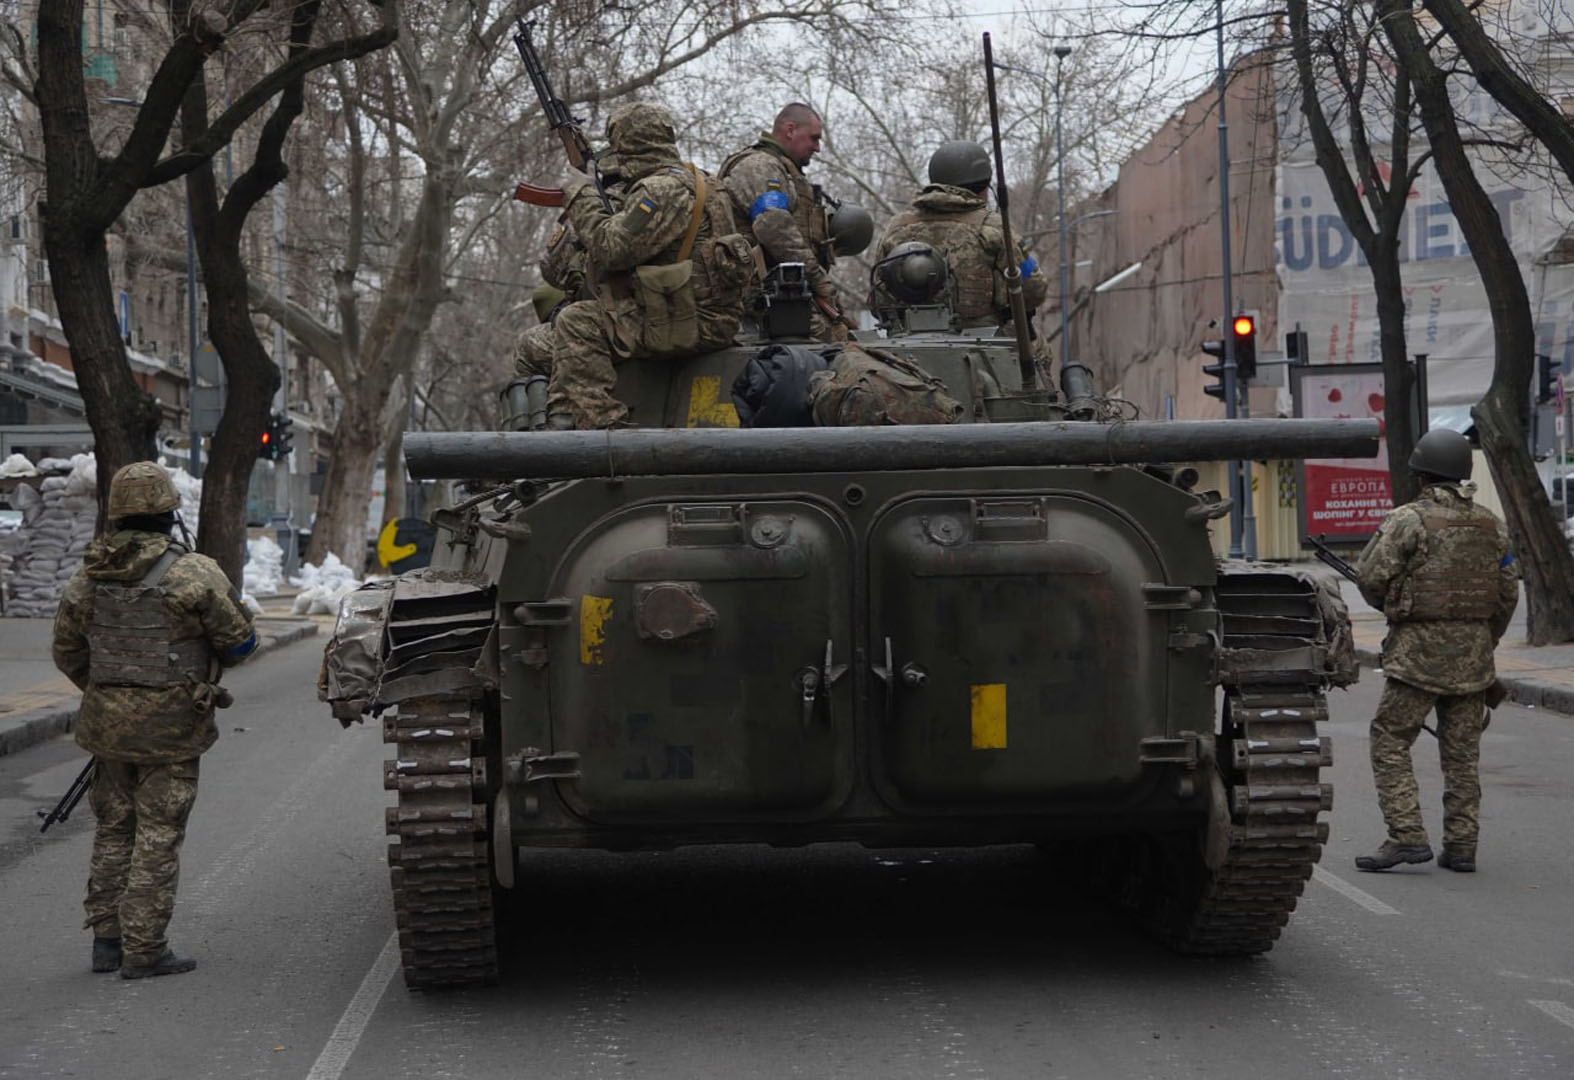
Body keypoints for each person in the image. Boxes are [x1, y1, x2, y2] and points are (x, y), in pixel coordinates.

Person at [51, 461, 257, 977]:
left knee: (114, 829)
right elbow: (240, 644)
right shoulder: (195, 573)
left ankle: (106, 942)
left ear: (115, 515)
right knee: (158, 833)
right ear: (169, 515)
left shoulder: (89, 575)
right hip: (172, 729)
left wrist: (108, 693)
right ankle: (145, 951)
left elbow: (67, 651)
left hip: (106, 729)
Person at [1352, 428, 1519, 874]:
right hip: (1475, 662)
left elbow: (1370, 578)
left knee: (1390, 740)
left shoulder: (1407, 520)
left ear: (1423, 477)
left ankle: (1406, 836)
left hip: (1417, 659)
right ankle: (1462, 846)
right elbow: (1507, 594)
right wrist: (1485, 640)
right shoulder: (1492, 525)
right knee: (1462, 754)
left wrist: (1394, 606)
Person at [547, 102, 754, 429]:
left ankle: (607, 434)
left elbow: (612, 250)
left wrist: (580, 193)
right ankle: (561, 421)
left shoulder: (661, 190)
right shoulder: (701, 181)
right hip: (697, 314)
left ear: (625, 144)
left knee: (577, 322)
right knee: (544, 340)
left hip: (690, 320)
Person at [873, 139, 1046, 330]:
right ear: (984, 186)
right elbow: (1033, 290)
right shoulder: (993, 227)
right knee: (1040, 351)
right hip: (985, 346)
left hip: (905, 344)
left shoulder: (897, 227)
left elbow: (877, 298)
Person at [718, 102, 851, 340]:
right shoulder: (760, 166)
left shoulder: (782, 171)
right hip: (765, 300)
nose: (818, 148)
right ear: (790, 130)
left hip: (787, 298)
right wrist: (818, 279)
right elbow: (773, 226)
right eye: (813, 138)